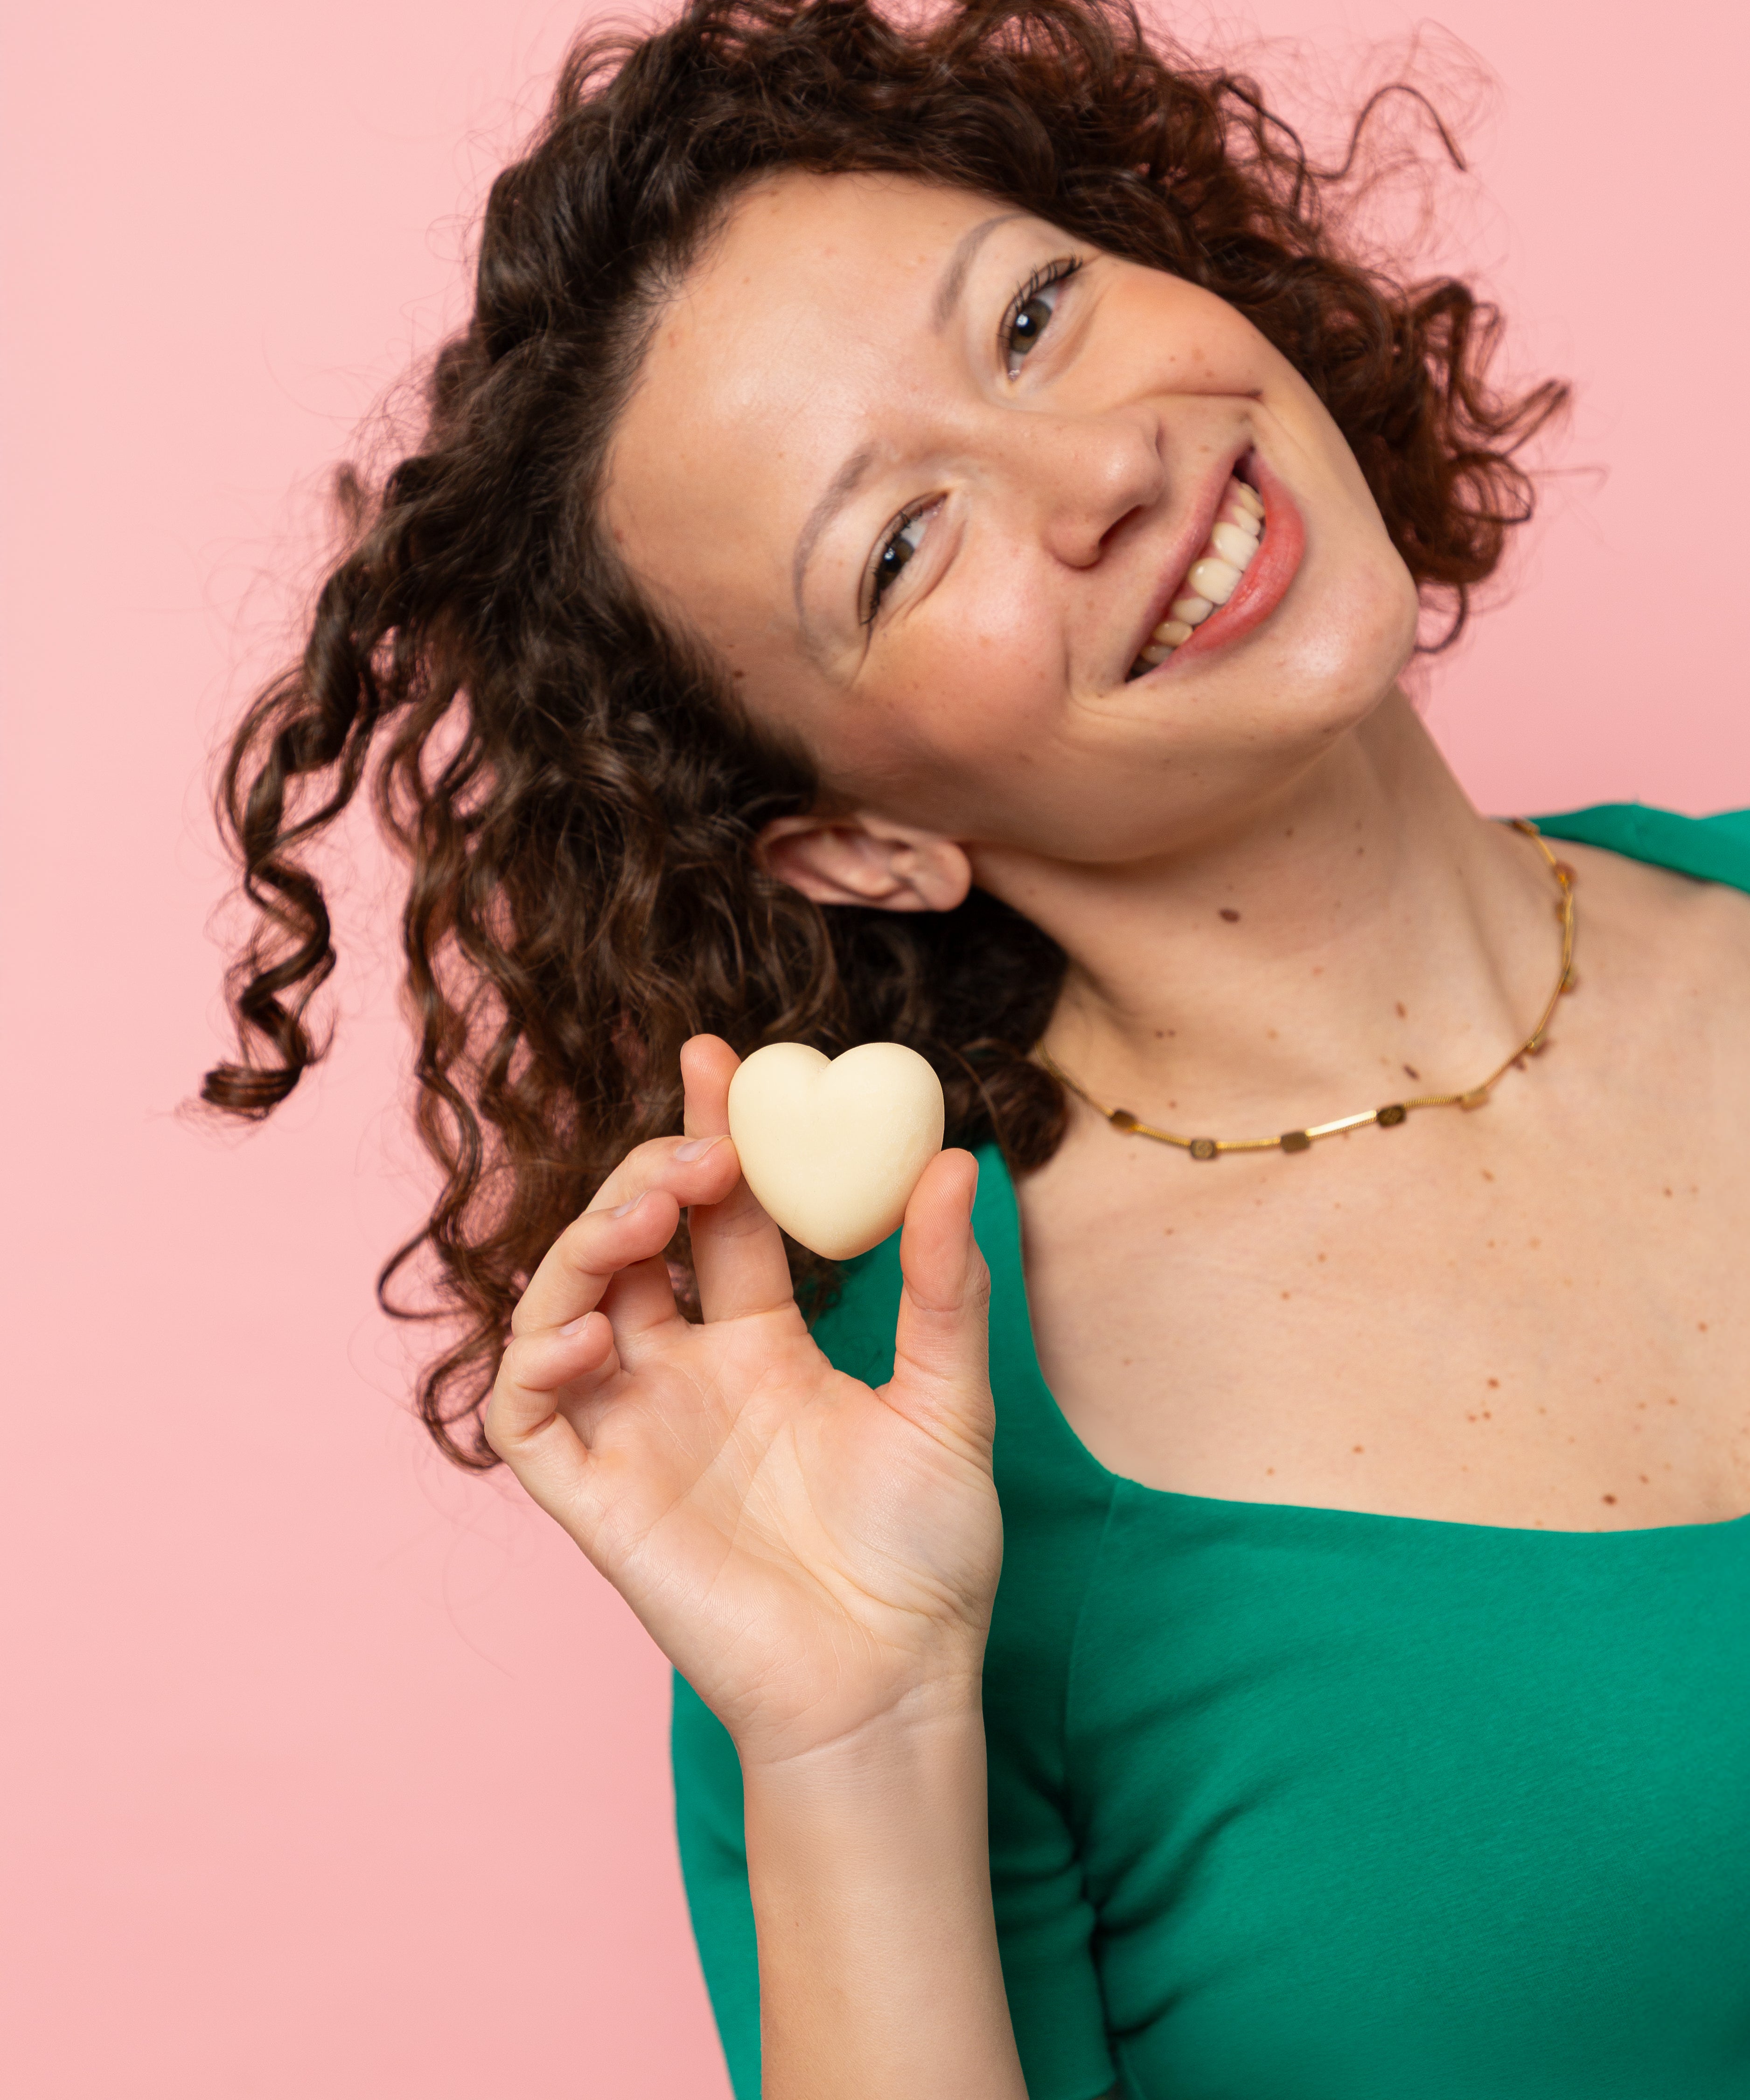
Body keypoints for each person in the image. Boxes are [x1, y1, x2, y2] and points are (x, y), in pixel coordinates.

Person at [203, 0, 1750, 2092]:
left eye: (1029, 316)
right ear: (860, 837)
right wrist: (854, 1734)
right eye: (902, 545)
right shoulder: (887, 1477)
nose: (1105, 466)